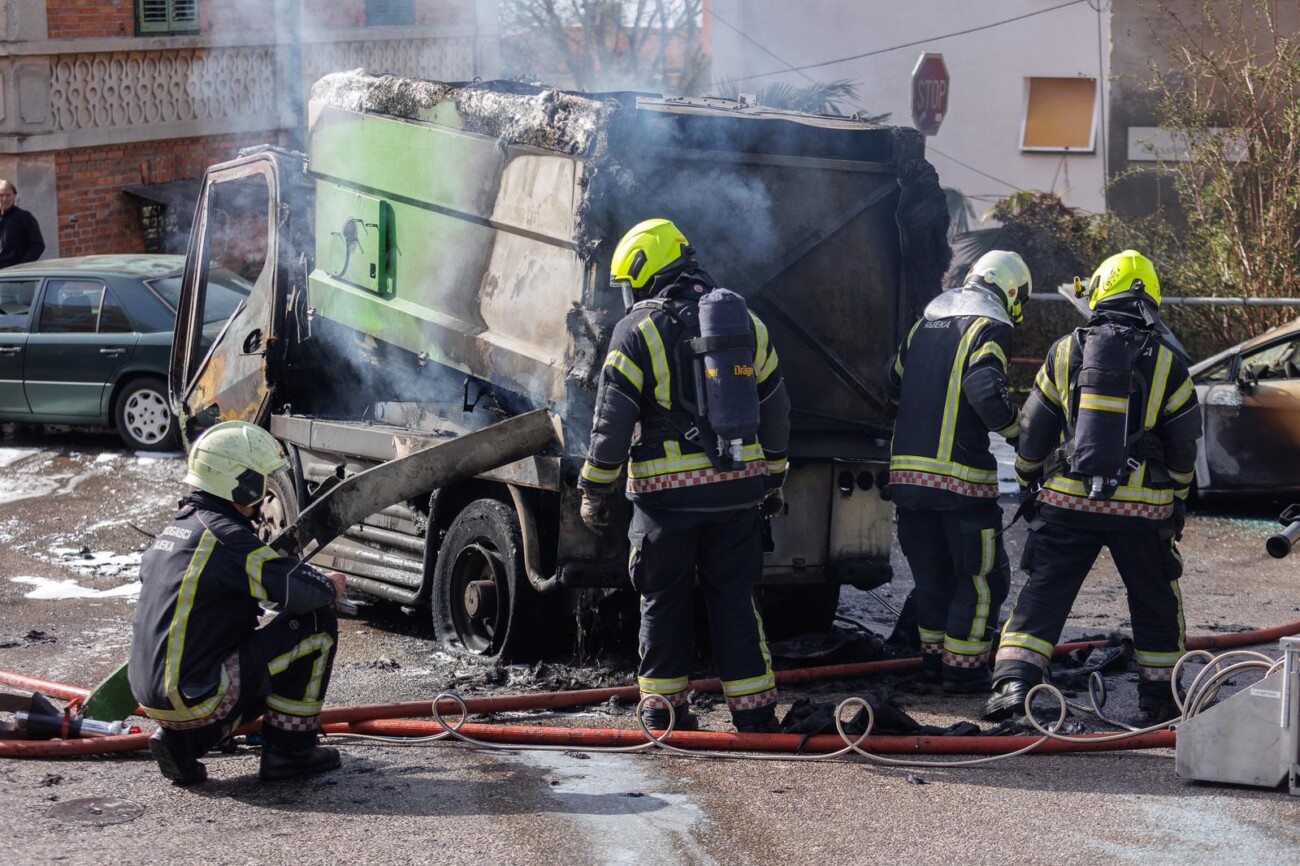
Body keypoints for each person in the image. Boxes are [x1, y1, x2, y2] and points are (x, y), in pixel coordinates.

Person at [578, 218, 791, 733]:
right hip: (737, 492)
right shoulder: (745, 324)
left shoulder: (636, 331)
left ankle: (663, 710)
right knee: (735, 598)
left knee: (663, 600)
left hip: (663, 501)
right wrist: (774, 476)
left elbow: (612, 422)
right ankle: (755, 712)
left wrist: (594, 487)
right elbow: (777, 408)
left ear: (643, 270)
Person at [985, 250, 1202, 724]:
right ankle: (1161, 698)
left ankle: (1012, 685)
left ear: (1100, 291)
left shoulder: (1064, 351)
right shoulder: (1168, 362)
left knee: (1044, 590)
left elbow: (1035, 428)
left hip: (1067, 500)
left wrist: (1027, 479)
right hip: (1144, 510)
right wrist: (1177, 498)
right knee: (1154, 596)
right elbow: (1184, 444)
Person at [130, 421, 347, 785]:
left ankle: (185, 741)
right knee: (316, 625)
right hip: (197, 695)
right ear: (242, 483)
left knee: (254, 653)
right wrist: (329, 584)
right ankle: (290, 751)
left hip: (157, 697)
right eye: (260, 481)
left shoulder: (178, 528)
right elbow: (301, 592)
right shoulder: (224, 536)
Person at [886, 251, 1032, 694]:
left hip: (908, 480)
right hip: (960, 482)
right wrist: (1022, 437)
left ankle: (932, 663)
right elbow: (986, 390)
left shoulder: (925, 323)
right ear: (1010, 290)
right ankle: (964, 671)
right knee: (983, 578)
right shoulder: (990, 326)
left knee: (932, 578)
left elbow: (892, 382)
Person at [0, 179, 46, 269]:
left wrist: (22, 266)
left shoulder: (25, 217)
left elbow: (38, 245)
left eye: (8, 195)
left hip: (15, 274)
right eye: (1, 195)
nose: (4, 199)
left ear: (14, 196)